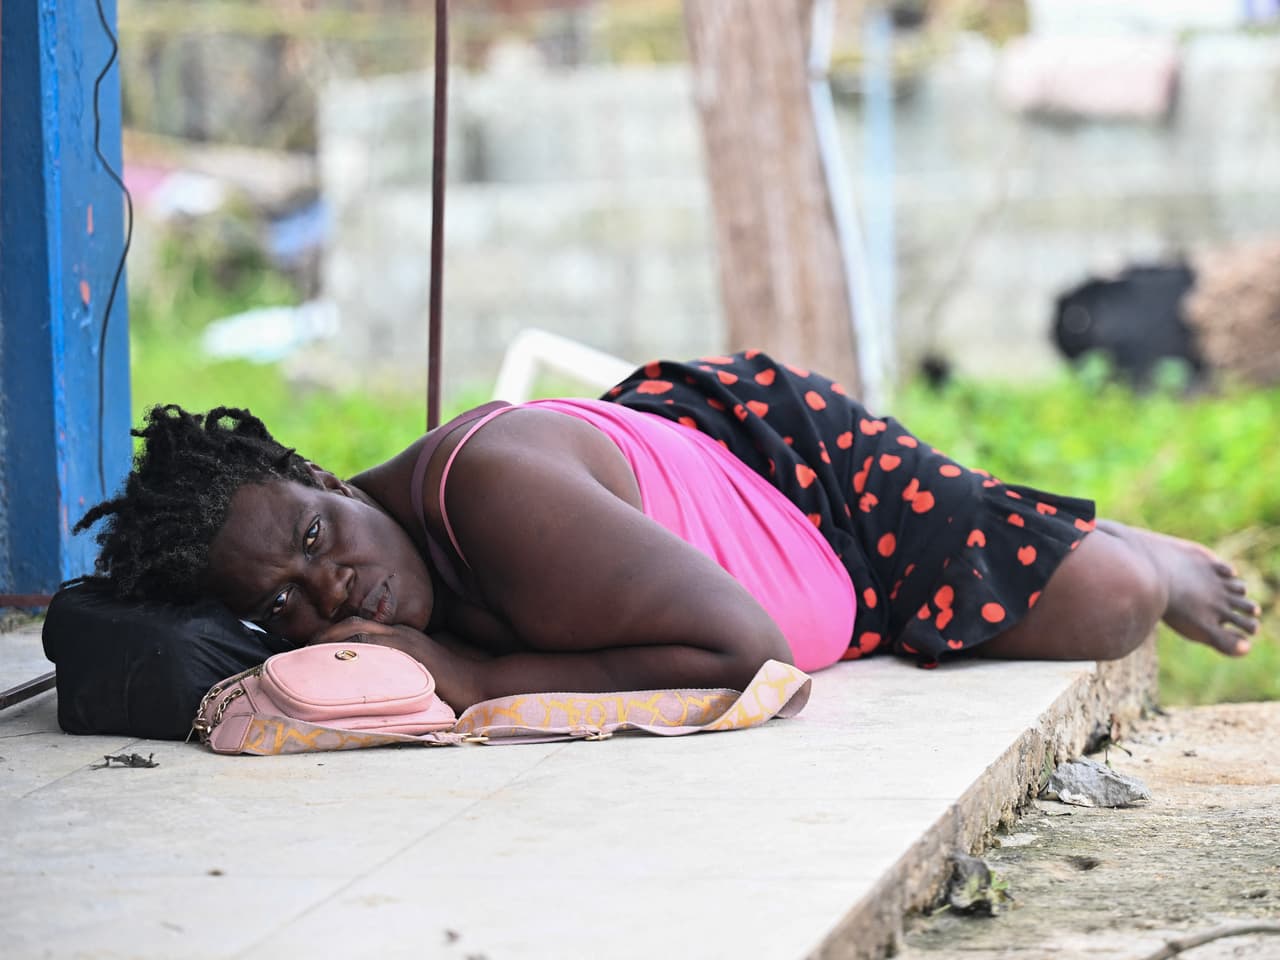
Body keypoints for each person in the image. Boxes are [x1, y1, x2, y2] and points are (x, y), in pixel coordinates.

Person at [76, 351, 1259, 711]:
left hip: (787, 475)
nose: (335, 593)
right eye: (286, 596)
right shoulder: (346, 598)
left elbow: (746, 652)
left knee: (1106, 603)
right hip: (687, 495)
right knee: (992, 586)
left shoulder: (491, 493)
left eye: (317, 534)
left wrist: (480, 675)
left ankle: (1127, 539)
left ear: (318, 472)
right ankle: (1004, 520)